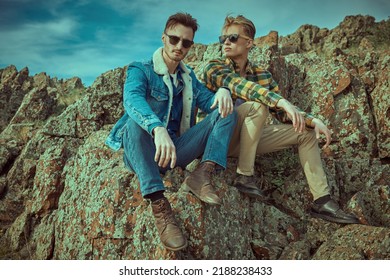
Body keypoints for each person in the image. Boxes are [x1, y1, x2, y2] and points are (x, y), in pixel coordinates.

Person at [203, 15, 359, 224]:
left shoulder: (263, 75)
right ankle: (245, 176)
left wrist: (313, 120)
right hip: (218, 140)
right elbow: (240, 86)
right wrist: (281, 101)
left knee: (305, 133)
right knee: (257, 106)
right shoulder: (214, 67)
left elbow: (284, 114)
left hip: (247, 139)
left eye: (232, 38)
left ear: (249, 43)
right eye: (223, 39)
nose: (226, 43)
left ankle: (322, 201)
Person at [105, 13, 237, 251]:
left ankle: (202, 173)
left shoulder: (189, 78)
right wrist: (157, 129)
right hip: (144, 151)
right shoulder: (141, 69)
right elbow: (132, 99)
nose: (179, 46)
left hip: (176, 150)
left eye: (186, 42)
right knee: (133, 125)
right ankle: (159, 204)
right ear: (164, 38)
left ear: (191, 46)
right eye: (174, 39)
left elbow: (210, 103)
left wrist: (223, 92)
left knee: (229, 110)